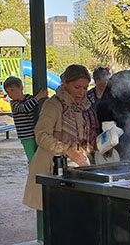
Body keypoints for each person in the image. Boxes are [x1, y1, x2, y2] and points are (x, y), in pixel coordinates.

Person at [24, 65, 101, 211]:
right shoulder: (53, 104)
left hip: (77, 167)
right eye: (77, 87)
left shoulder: (86, 107)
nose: (81, 92)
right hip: (52, 167)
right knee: (55, 213)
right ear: (64, 83)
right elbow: (41, 135)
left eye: (85, 88)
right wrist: (66, 150)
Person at [4, 76, 47, 161]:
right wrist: (38, 97)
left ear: (21, 88)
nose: (10, 94)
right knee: (32, 158)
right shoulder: (14, 104)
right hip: (26, 136)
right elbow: (24, 108)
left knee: (41, 156)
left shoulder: (29, 98)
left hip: (36, 133)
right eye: (8, 92)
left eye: (12, 90)